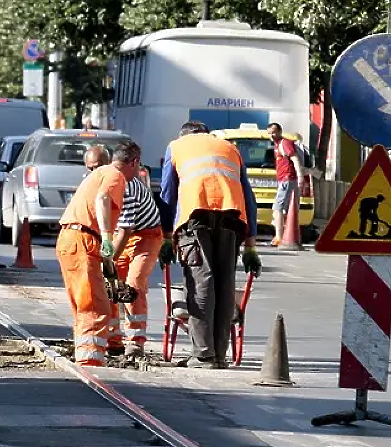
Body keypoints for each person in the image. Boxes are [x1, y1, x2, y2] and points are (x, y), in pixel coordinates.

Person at [159, 121, 261, 369]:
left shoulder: (176, 146)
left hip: (196, 217)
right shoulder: (229, 148)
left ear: (183, 135)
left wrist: (165, 238)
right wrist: (250, 247)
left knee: (201, 281)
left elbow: (167, 194)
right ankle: (219, 355)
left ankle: (203, 356)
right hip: (232, 219)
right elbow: (248, 197)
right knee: (225, 283)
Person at [57, 139, 141, 367]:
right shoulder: (116, 175)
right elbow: (103, 199)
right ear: (134, 163)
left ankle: (86, 355)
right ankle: (90, 363)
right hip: (83, 240)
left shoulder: (100, 173)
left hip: (73, 239)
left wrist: (107, 260)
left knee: (86, 304)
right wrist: (106, 236)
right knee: (95, 306)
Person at [108, 162, 164, 358]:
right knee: (111, 284)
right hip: (120, 234)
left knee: (133, 285)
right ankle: (113, 339)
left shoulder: (128, 187)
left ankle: (135, 342)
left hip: (146, 236)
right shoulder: (100, 182)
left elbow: (125, 230)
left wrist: (108, 260)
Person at [269, 122, 304, 245]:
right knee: (286, 209)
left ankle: (279, 237)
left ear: (279, 131)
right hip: (284, 180)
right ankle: (286, 236)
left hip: (287, 179)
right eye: (269, 133)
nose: (272, 135)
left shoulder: (285, 143)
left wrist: (300, 176)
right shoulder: (277, 145)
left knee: (277, 208)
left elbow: (295, 159)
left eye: (274, 132)